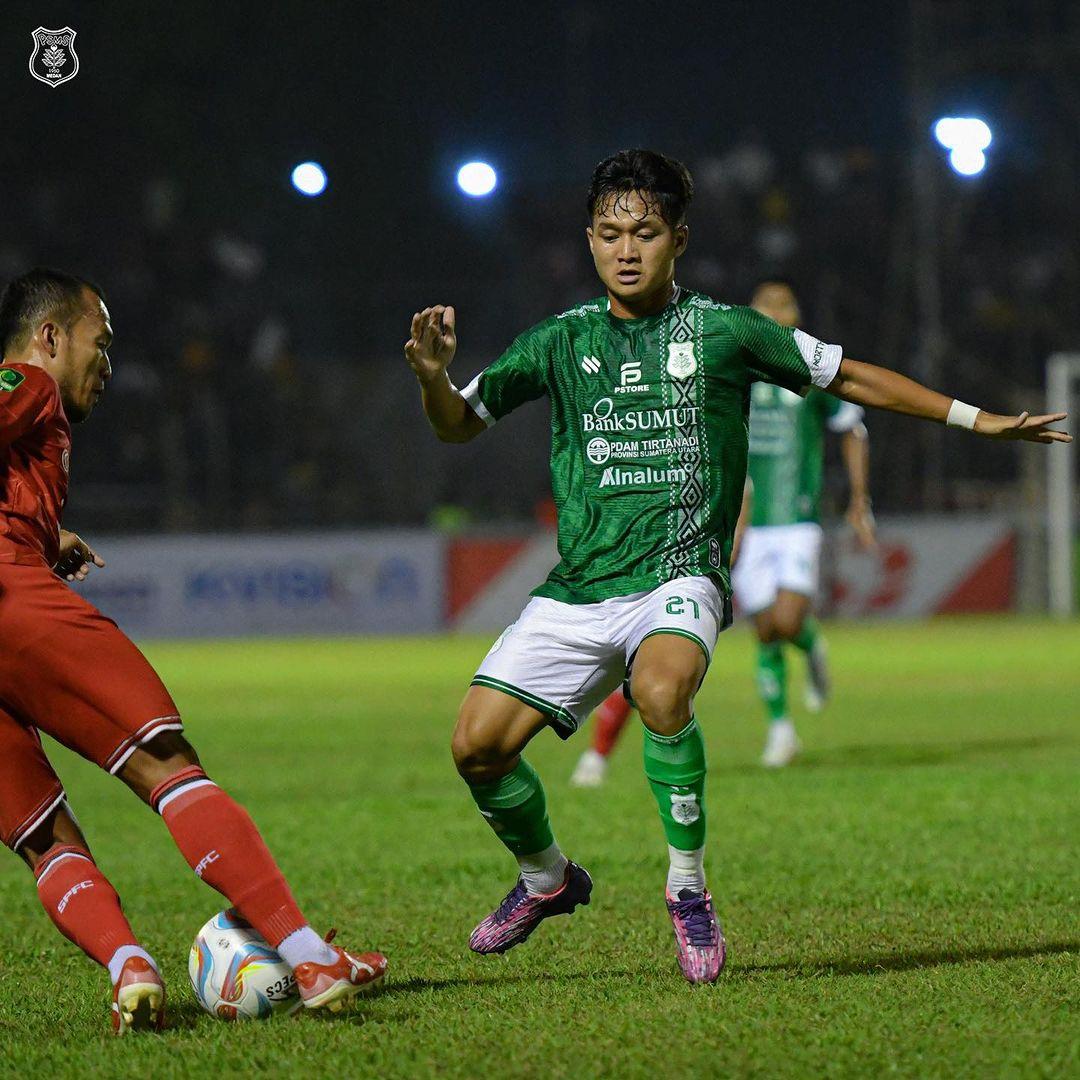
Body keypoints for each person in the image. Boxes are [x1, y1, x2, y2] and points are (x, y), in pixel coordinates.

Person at [404, 149, 1068, 984]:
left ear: (678, 240)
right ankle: (547, 879)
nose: (626, 248)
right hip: (580, 586)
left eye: (645, 232)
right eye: (609, 233)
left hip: (681, 574)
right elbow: (458, 425)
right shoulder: (559, 342)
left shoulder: (724, 331)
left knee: (660, 690)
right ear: (589, 240)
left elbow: (851, 374)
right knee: (475, 749)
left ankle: (688, 888)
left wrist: (980, 421)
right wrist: (435, 381)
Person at [0, 268, 386, 1034]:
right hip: (13, 600)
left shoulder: (35, 429)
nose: (107, 365)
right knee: (168, 769)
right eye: (98, 343)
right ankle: (309, 956)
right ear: (50, 338)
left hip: (18, 572)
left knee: (42, 835)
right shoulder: (29, 384)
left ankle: (128, 967)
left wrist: (47, 536)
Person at [570, 277, 876, 782]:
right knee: (764, 628)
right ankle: (781, 730)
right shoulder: (734, 374)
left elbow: (853, 424)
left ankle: (810, 643)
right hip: (744, 522)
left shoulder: (807, 375)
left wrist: (859, 500)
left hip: (797, 518)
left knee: (786, 617)